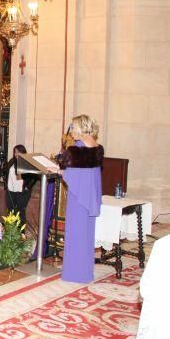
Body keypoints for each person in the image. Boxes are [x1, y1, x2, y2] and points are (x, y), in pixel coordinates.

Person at [55, 114, 103, 284]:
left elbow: (72, 173)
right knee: (87, 234)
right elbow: (91, 174)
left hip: (78, 198)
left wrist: (60, 171)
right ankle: (85, 272)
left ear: (80, 128)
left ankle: (74, 273)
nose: (71, 132)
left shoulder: (76, 148)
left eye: (73, 128)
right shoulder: (96, 147)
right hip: (90, 196)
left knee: (75, 234)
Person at [5, 144, 38, 228]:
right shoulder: (12, 161)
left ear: (23, 153)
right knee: (11, 212)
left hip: (22, 192)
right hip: (10, 191)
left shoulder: (27, 163)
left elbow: (34, 177)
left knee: (20, 212)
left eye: (18, 152)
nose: (16, 154)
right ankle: (10, 232)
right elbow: (6, 173)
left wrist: (28, 187)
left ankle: (21, 233)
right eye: (15, 152)